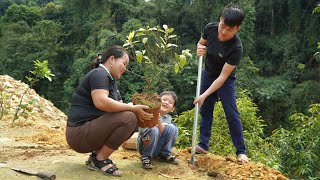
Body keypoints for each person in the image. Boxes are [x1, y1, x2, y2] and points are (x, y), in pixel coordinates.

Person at [66, 45, 153, 176]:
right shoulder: (99, 74)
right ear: (112, 59)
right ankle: (100, 159)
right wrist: (131, 108)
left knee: (132, 117)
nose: (125, 68)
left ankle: (97, 156)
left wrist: (136, 107)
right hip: (79, 134)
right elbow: (101, 101)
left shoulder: (111, 81)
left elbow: (119, 106)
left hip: (89, 132)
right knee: (129, 117)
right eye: (124, 63)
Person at [193, 4, 249, 163]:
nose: (223, 31)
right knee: (205, 108)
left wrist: (204, 94)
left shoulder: (236, 47)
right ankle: (203, 145)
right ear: (220, 20)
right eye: (222, 26)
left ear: (237, 28)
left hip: (225, 80)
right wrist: (199, 48)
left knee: (231, 112)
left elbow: (223, 78)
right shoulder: (210, 28)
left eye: (229, 29)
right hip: (208, 73)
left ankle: (241, 151)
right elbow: (201, 43)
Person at [137, 91, 179, 169]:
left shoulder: (168, 118)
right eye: (164, 99)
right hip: (145, 144)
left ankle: (164, 154)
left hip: (158, 146)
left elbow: (162, 130)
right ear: (156, 101)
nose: (166, 102)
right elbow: (143, 131)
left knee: (173, 128)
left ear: (172, 109)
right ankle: (146, 157)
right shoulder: (148, 113)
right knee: (153, 129)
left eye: (170, 102)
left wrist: (158, 119)